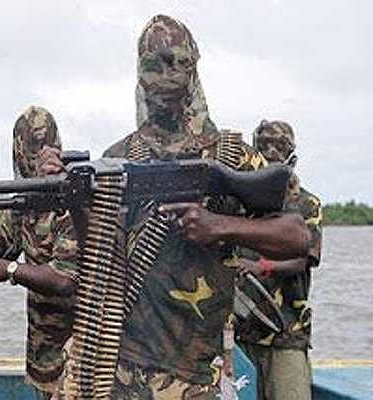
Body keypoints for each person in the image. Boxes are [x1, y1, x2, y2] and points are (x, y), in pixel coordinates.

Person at [90, 15, 311, 399]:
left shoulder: (233, 156)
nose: (165, 77)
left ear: (193, 67)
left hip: (199, 374)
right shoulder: (120, 156)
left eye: (175, 63)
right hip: (122, 368)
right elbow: (95, 260)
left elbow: (298, 237)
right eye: (153, 65)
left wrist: (220, 225)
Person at [0, 106, 79, 399]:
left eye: (45, 147)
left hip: (82, 355)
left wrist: (9, 271)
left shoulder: (74, 201)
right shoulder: (23, 208)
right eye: (33, 150)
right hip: (43, 357)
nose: (39, 157)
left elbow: (64, 279)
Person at [236, 120, 322, 400]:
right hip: (241, 332)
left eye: (280, 146)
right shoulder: (238, 202)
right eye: (264, 145)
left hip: (287, 331)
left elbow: (304, 259)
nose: (272, 151)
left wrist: (263, 267)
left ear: (291, 153)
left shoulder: (306, 203)